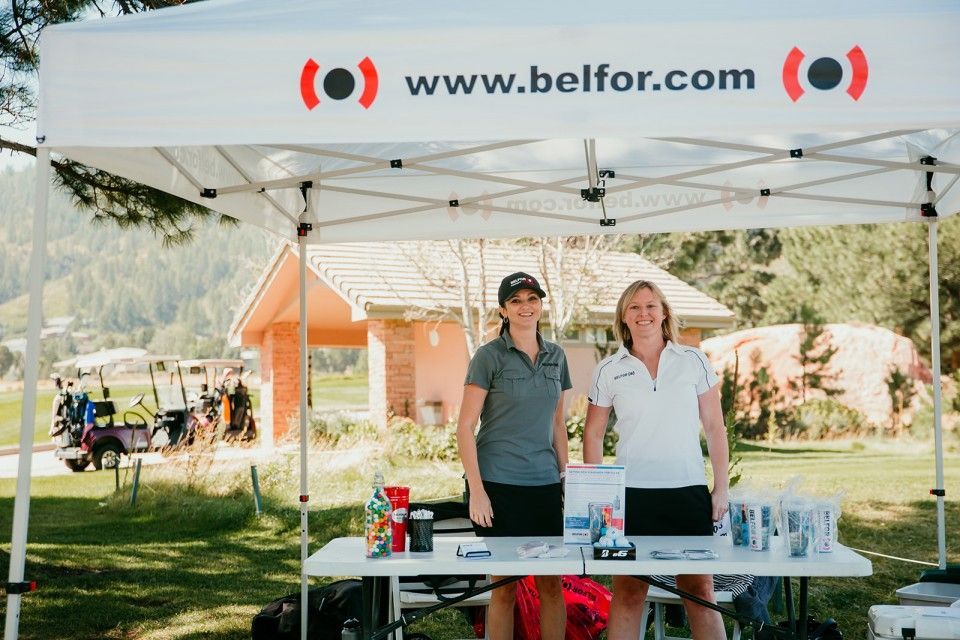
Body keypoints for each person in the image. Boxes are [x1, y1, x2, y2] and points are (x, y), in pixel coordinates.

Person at [583, 279, 729, 640]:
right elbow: (593, 434)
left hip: (688, 491)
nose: (643, 313)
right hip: (631, 496)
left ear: (664, 312)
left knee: (699, 592)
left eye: (650, 305)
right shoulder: (608, 369)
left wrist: (720, 488)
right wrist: (596, 497)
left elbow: (714, 426)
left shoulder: (693, 359)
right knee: (631, 593)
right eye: (634, 307)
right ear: (624, 317)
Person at [456, 271, 572, 640]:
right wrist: (477, 490)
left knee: (552, 585)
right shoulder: (487, 357)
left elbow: (557, 425)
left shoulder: (557, 356)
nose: (526, 306)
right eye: (516, 300)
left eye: (532, 299)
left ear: (541, 304)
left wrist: (567, 477)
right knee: (503, 587)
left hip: (543, 485)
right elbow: (464, 427)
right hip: (497, 485)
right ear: (504, 309)